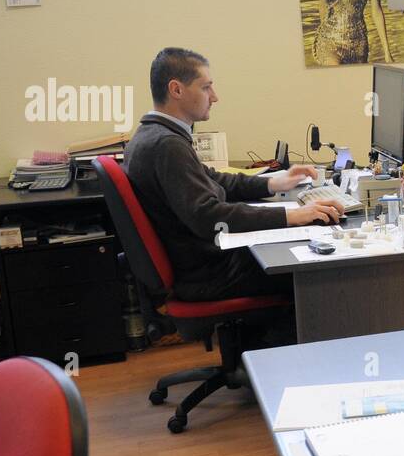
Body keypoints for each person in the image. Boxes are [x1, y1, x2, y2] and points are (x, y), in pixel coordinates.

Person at [124, 48, 344, 307]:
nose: (214, 97)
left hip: (202, 265)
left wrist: (273, 183)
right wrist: (293, 215)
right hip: (210, 274)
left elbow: (213, 179)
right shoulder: (167, 145)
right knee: (327, 267)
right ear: (176, 89)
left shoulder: (151, 135)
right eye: (206, 87)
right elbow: (209, 216)